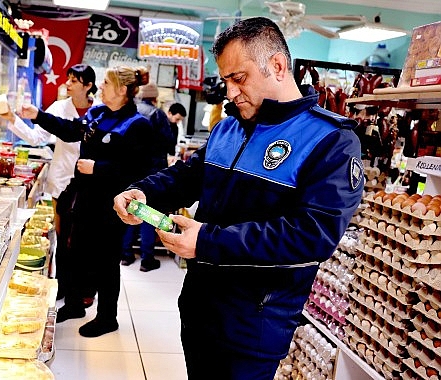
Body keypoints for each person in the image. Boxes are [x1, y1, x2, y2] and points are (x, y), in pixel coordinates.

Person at [113, 17, 364, 379]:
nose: (230, 92)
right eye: (226, 80)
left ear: (277, 66)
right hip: (200, 305)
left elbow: (312, 235)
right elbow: (189, 176)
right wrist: (144, 191)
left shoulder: (331, 141)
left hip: (254, 322)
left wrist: (207, 241)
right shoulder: (229, 126)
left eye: (239, 78)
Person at [18, 65, 155, 337]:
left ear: (123, 90)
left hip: (111, 204)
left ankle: (107, 317)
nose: (100, 87)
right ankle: (74, 303)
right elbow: (70, 131)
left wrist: (98, 168)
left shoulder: (137, 125)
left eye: (106, 83)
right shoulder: (98, 113)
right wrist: (38, 116)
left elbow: (138, 170)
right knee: (73, 253)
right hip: (81, 197)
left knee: (105, 261)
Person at [1, 64, 99, 306]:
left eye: (74, 80)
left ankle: (86, 288)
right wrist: (13, 120)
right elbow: (37, 137)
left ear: (88, 86)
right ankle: (62, 286)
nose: (68, 83)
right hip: (62, 180)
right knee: (63, 237)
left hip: (90, 184)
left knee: (85, 239)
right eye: (68, 78)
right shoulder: (59, 107)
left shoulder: (99, 111)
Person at [120, 82, 173, 272]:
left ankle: (125, 255)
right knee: (149, 214)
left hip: (132, 170)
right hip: (153, 171)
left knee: (131, 210)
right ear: (154, 97)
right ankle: (146, 259)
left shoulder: (132, 111)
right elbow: (168, 141)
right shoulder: (157, 114)